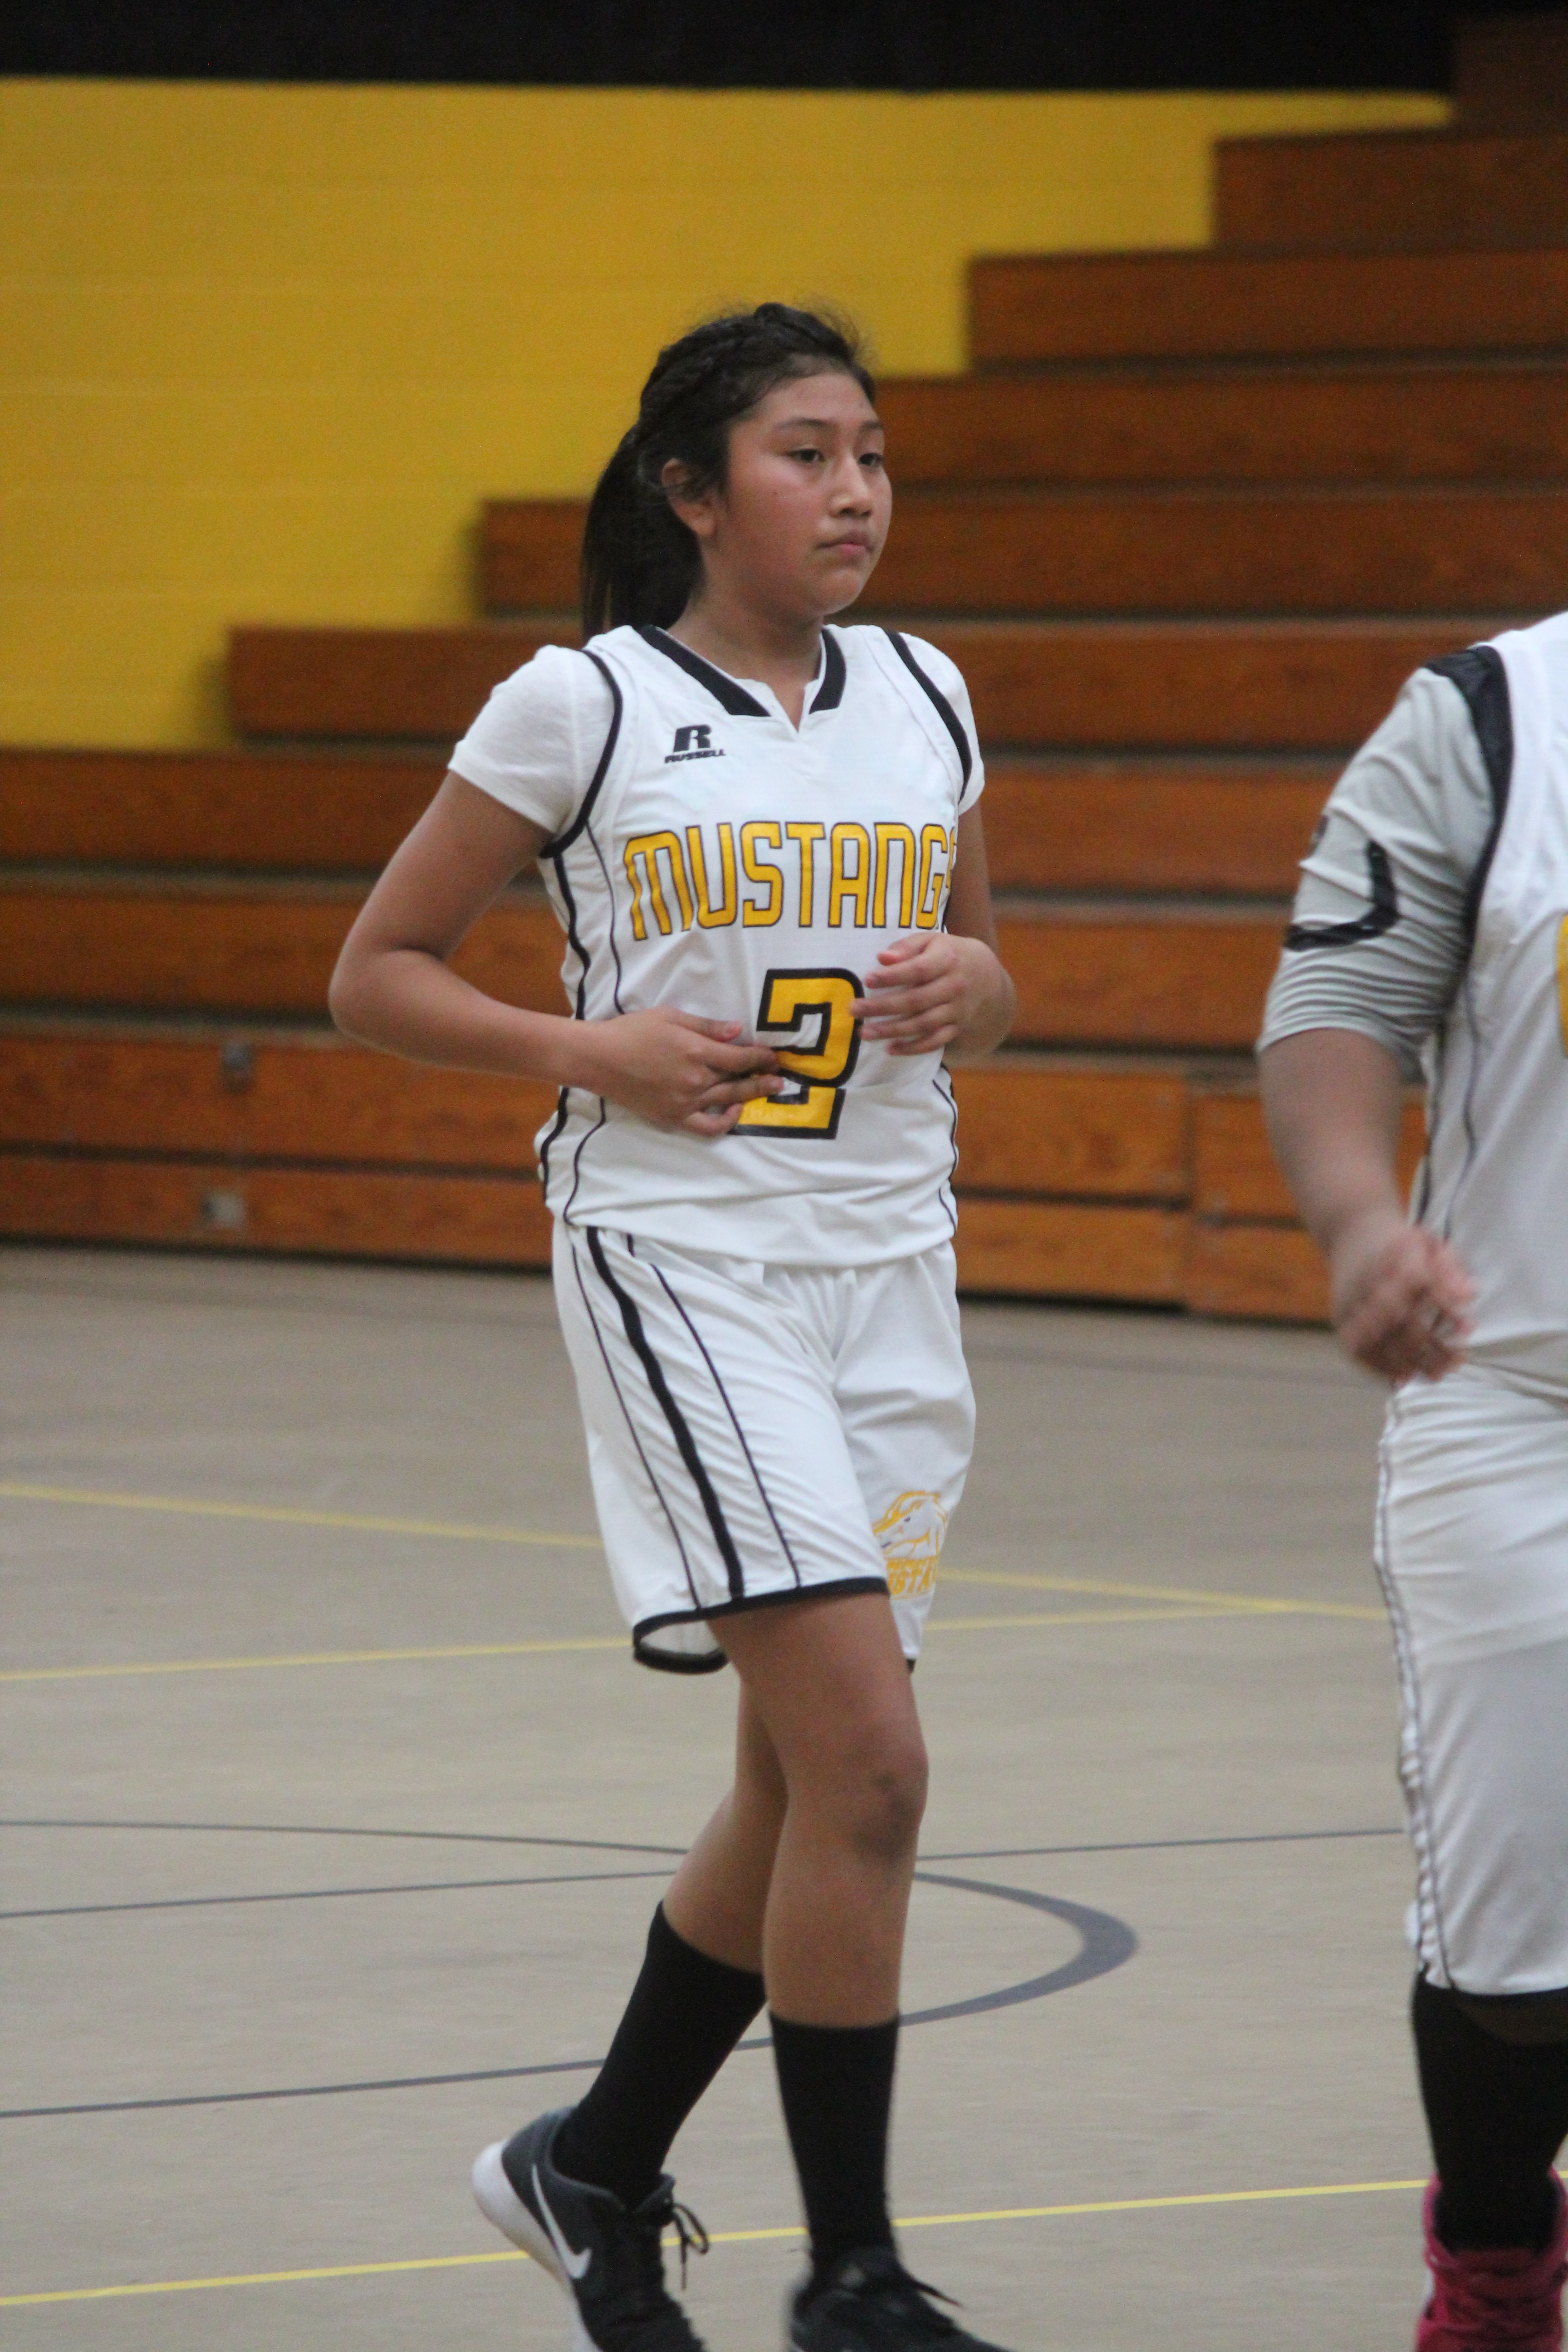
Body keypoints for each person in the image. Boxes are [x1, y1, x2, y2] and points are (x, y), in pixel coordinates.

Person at [330, 304, 1018, 2352]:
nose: (858, 492)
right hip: (681, 1259)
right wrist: (586, 1047)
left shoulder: (928, 691)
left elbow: (992, 958)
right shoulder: (585, 704)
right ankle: (858, 2278)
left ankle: (591, 2166)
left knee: (799, 1789)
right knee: (877, 1769)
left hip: (890, 1270)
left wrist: (977, 990)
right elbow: (376, 971)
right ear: (693, 490)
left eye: (876, 454)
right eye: (810, 454)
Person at [1258, 612, 1568, 2351]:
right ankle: (1504, 2256)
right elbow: (1339, 1000)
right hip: (1518, 1395)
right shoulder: (1496, 716)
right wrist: (1364, 1222)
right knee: (1527, 1979)